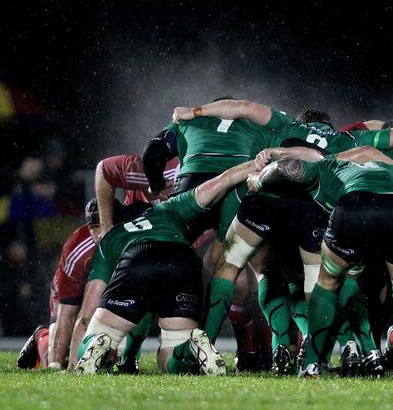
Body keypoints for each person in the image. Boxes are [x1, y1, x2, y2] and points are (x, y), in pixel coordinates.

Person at [248, 148, 393, 380]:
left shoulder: (328, 164)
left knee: (327, 283)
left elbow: (286, 168)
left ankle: (311, 364)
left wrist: (258, 180)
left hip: (354, 206)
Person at [74, 159, 262, 375]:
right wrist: (256, 164)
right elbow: (219, 182)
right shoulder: (165, 209)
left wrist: (72, 358)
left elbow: (86, 314)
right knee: (170, 354)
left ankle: (97, 343)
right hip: (182, 260)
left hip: (139, 258)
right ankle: (190, 349)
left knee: (101, 332)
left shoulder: (110, 240)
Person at [17, 198, 103, 370]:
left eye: (103, 225)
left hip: (101, 289)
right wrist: (55, 366)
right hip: (74, 291)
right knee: (59, 360)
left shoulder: (127, 237)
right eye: (93, 227)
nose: (99, 234)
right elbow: (68, 313)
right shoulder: (77, 253)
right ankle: (42, 336)